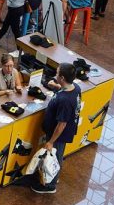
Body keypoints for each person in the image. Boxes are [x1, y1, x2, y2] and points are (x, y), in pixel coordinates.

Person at [34, 63, 82, 193]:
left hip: (59, 135)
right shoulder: (75, 87)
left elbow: (62, 124)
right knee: (57, 155)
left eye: (57, 73)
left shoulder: (65, 101)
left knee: (55, 156)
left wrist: (51, 142)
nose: (55, 75)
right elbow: (64, 90)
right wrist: (56, 87)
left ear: (62, 77)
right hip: (62, 132)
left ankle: (50, 185)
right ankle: (53, 177)